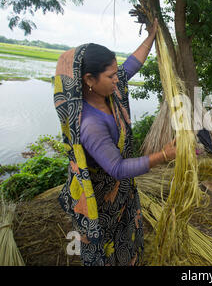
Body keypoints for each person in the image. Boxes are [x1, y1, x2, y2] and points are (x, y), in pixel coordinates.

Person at [54, 19, 176, 266]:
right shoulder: (90, 124)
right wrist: (163, 155)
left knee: (126, 243)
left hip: (120, 192)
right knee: (105, 252)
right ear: (89, 79)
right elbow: (118, 168)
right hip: (100, 200)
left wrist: (151, 36)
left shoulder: (109, 90)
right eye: (110, 75)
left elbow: (131, 64)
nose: (117, 78)